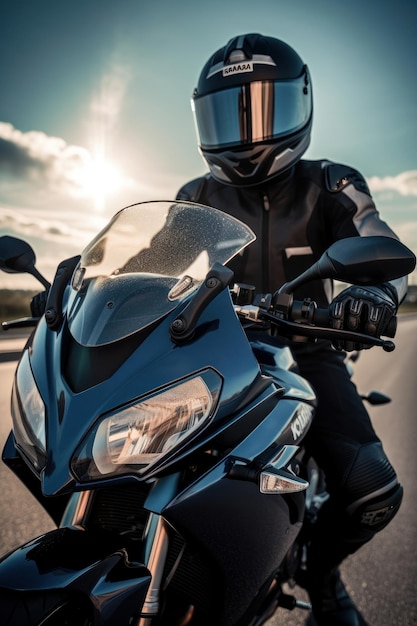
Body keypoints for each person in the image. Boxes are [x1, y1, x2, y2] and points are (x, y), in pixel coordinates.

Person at [175, 33, 407, 626]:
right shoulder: (194, 197)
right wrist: (89, 283)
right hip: (209, 356)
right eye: (229, 111)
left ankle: (322, 578)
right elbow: (151, 265)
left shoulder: (332, 183)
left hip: (309, 350)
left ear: (299, 103)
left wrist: (374, 291)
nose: (248, 130)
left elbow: (377, 240)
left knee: (370, 493)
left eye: (263, 108)